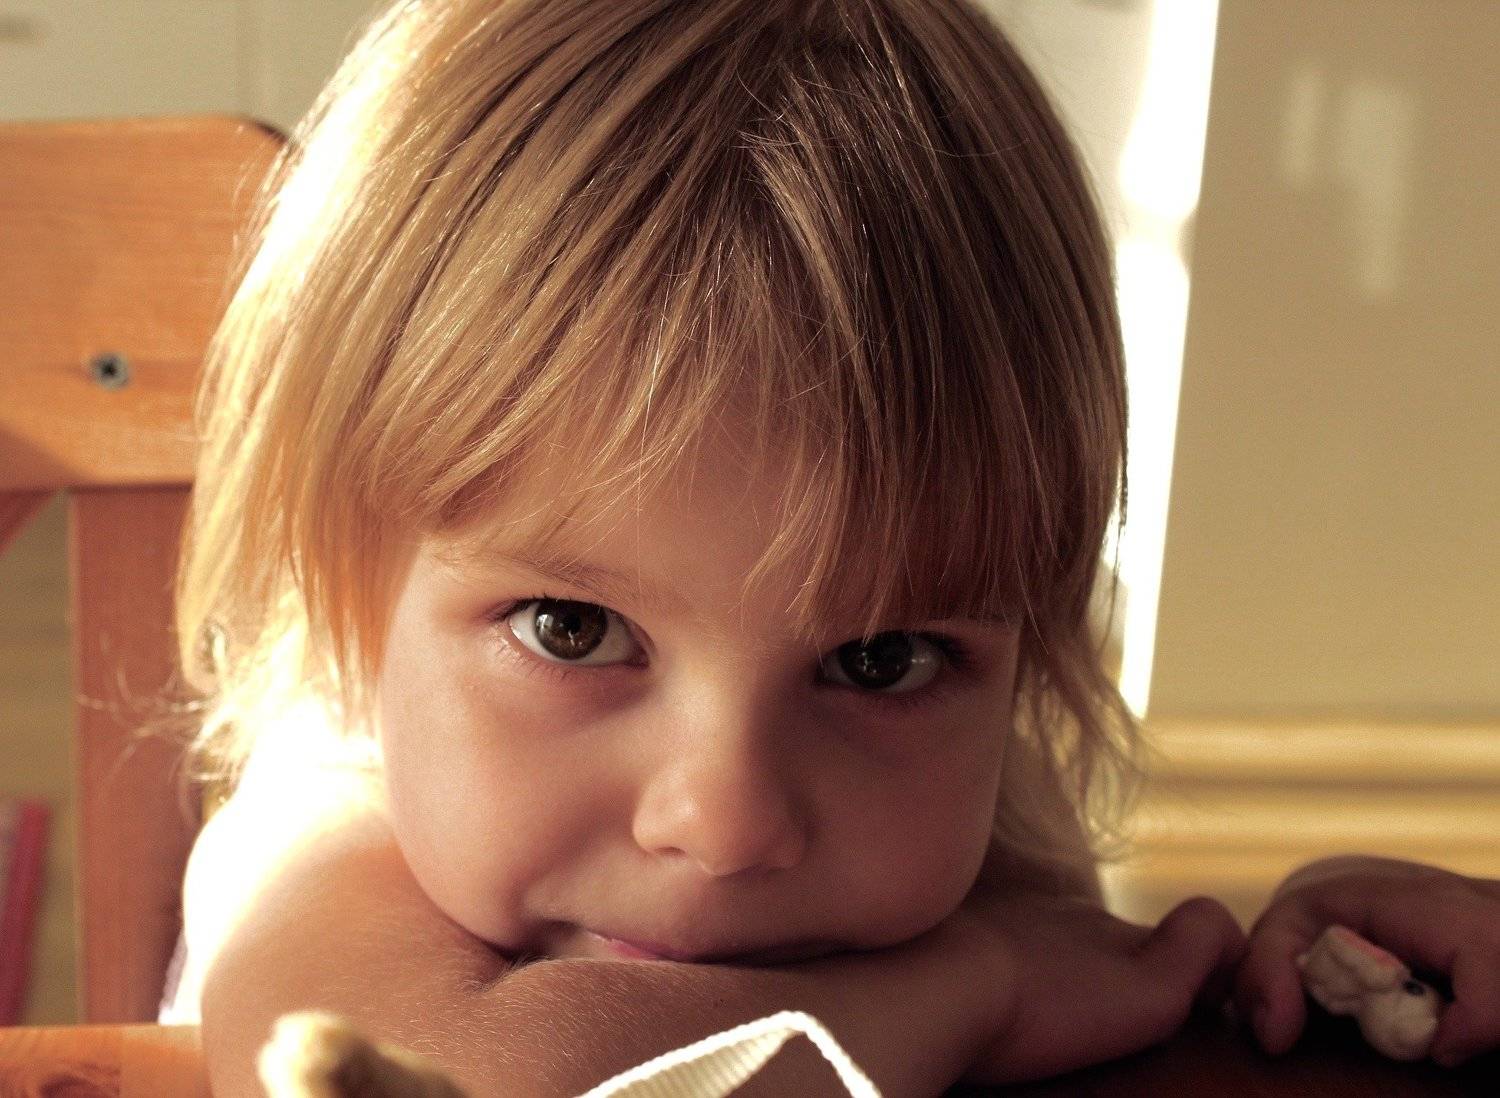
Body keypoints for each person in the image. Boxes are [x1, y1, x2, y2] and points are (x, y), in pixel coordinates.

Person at [161, 0, 1499, 1094]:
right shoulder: (324, 824)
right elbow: (477, 1084)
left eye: (876, 658)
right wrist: (982, 989)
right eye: (573, 629)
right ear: (347, 591)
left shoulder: (968, 811)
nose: (725, 818)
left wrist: (1306, 986)